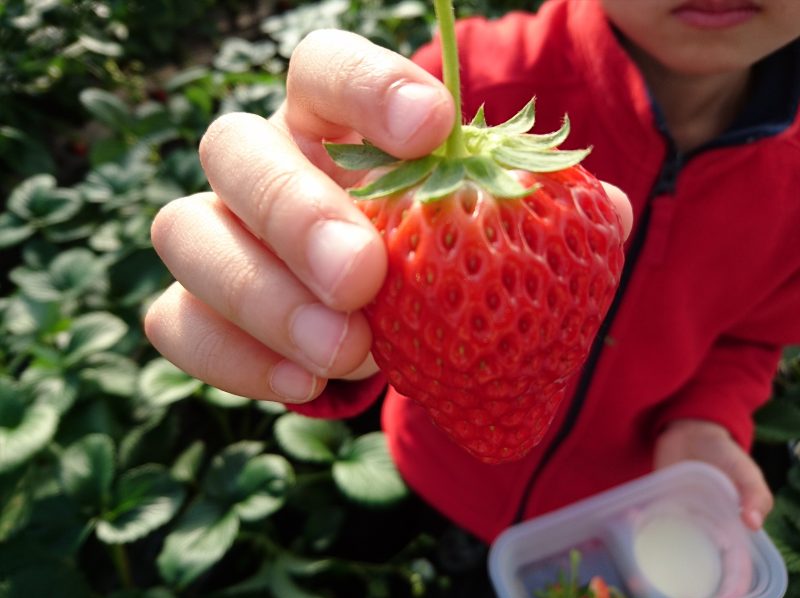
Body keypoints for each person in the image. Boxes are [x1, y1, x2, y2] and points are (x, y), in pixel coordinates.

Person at [144, 0, 800, 549]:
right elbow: (376, 312)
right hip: (432, 483)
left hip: (619, 514)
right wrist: (304, 311)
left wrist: (704, 422)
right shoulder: (439, 102)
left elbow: (752, 337)